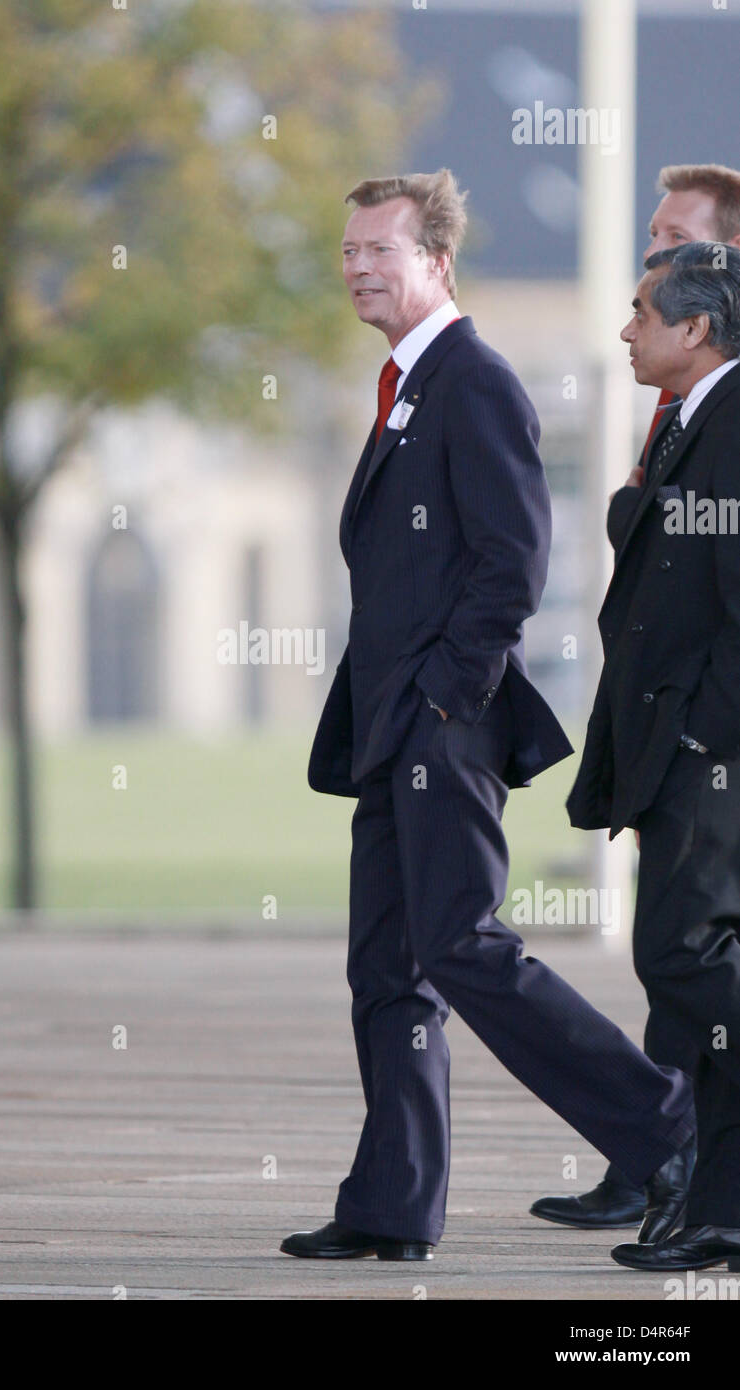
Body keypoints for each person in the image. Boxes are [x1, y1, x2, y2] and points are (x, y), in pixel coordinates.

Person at [279, 171, 694, 1263]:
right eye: (349, 251)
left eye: (381, 249)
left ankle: (667, 1126)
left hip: (437, 724)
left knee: (462, 944)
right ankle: (390, 1205)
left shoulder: (472, 382)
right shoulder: (407, 384)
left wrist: (439, 697)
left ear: (437, 261)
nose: (359, 266)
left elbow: (512, 566)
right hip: (388, 729)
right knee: (387, 966)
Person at [532, 163, 740, 1236]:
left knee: (683, 959)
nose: (625, 321)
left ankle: (710, 1198)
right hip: (671, 744)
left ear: (700, 325)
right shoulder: (689, 414)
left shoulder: (730, 419)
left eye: (644, 304)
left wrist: (704, 732)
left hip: (704, 754)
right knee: (680, 970)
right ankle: (703, 1202)